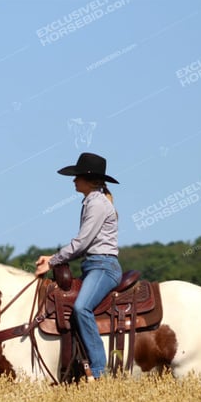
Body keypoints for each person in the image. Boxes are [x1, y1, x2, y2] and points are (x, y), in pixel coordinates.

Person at [35, 152, 122, 381]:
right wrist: (53, 257)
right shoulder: (92, 201)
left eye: (77, 177)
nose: (73, 181)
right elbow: (83, 245)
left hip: (103, 267)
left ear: (88, 179)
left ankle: (99, 371)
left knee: (81, 307)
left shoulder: (97, 203)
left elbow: (82, 242)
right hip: (93, 265)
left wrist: (52, 261)